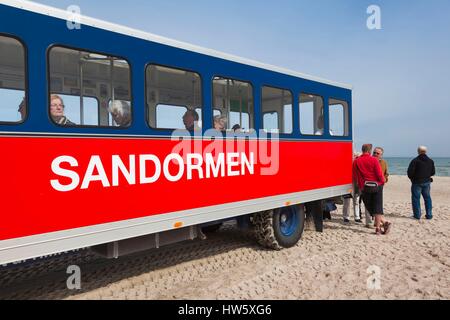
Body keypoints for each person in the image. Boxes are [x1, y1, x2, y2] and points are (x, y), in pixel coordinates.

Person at [353, 144, 391, 235]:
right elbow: (379, 174)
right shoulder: (374, 160)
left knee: (370, 207)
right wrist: (382, 182)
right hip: (377, 186)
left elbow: (355, 175)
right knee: (377, 208)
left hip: (365, 187)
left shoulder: (356, 161)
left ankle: (383, 224)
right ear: (370, 151)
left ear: (362, 150)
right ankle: (379, 227)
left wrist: (360, 185)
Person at [407, 146, 436, 220]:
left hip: (417, 182)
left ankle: (417, 215)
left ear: (418, 151)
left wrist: (412, 178)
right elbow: (433, 172)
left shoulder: (415, 160)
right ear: (425, 152)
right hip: (426, 181)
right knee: (427, 198)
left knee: (416, 199)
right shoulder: (430, 160)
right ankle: (429, 215)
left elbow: (410, 173)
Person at [343, 151, 363, 223]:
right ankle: (346, 217)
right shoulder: (346, 162)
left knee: (356, 201)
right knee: (347, 201)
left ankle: (357, 217)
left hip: (356, 184)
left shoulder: (359, 163)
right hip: (347, 184)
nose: (355, 157)